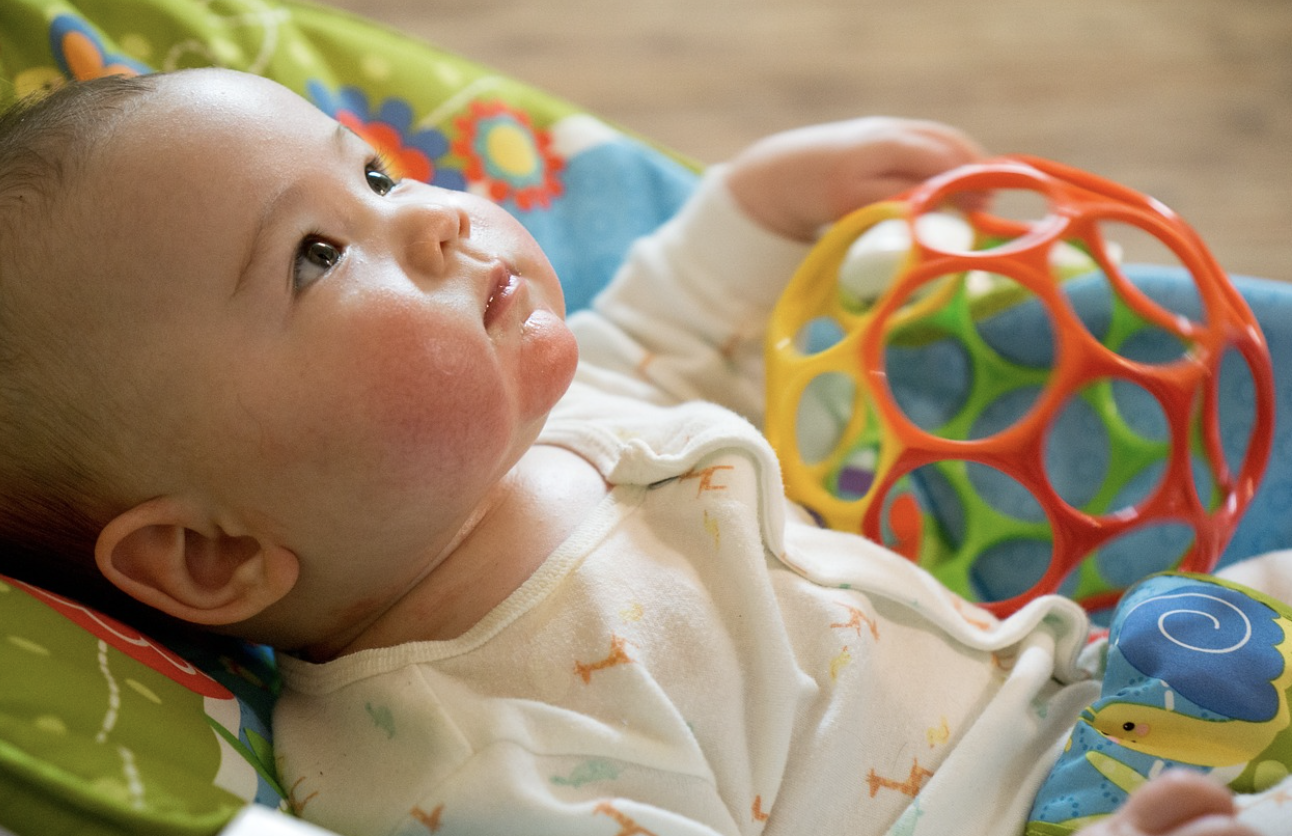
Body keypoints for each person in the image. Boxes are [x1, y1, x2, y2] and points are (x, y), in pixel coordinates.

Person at [0, 67, 1283, 836]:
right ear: (213, 551)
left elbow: (661, 327)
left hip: (1096, 689)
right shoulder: (462, 758)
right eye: (317, 256)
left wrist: (752, 208)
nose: (443, 216)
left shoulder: (546, 420)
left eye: (380, 175)